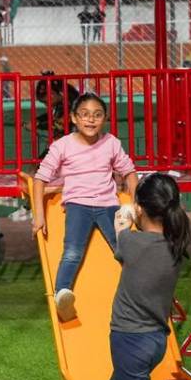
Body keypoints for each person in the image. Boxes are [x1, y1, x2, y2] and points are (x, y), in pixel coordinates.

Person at [86, 173, 190, 380]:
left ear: (143, 208)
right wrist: (137, 210)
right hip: (155, 340)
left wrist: (126, 212)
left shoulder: (132, 243)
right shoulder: (175, 244)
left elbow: (119, 226)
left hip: (130, 340)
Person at [30, 93, 138, 322]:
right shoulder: (62, 145)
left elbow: (129, 171)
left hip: (108, 205)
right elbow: (39, 179)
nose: (91, 120)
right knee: (72, 252)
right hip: (78, 205)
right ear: (73, 118)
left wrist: (136, 204)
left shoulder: (111, 143)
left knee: (124, 250)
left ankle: (140, 294)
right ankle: (62, 296)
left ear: (105, 119)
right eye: (85, 115)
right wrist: (39, 216)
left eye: (97, 115)